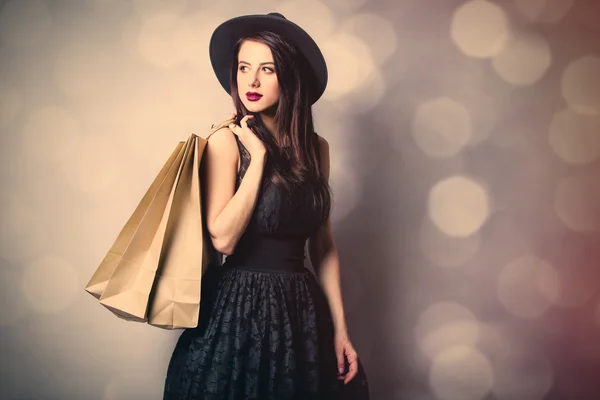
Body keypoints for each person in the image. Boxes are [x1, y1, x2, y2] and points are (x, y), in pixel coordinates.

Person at [163, 12, 369, 400]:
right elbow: (222, 239)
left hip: (299, 310)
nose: (251, 81)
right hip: (238, 309)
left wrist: (341, 330)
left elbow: (323, 247)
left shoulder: (316, 147)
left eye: (267, 69)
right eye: (243, 68)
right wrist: (257, 161)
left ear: (289, 77)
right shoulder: (225, 142)